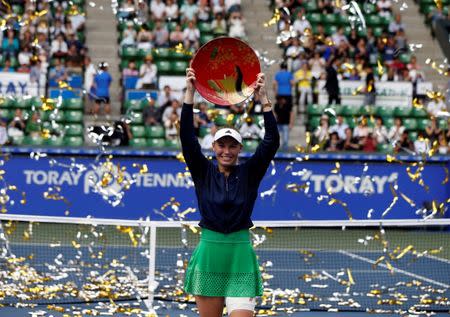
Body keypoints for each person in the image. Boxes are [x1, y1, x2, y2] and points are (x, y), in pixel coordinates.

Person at [181, 68, 279, 317]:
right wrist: (190, 93)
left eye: (232, 146)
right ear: (213, 147)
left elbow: (271, 142)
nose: (227, 150)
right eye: (222, 145)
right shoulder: (203, 172)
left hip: (240, 257)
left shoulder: (249, 173)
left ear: (239, 148)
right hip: (210, 256)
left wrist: (263, 98)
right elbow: (187, 138)